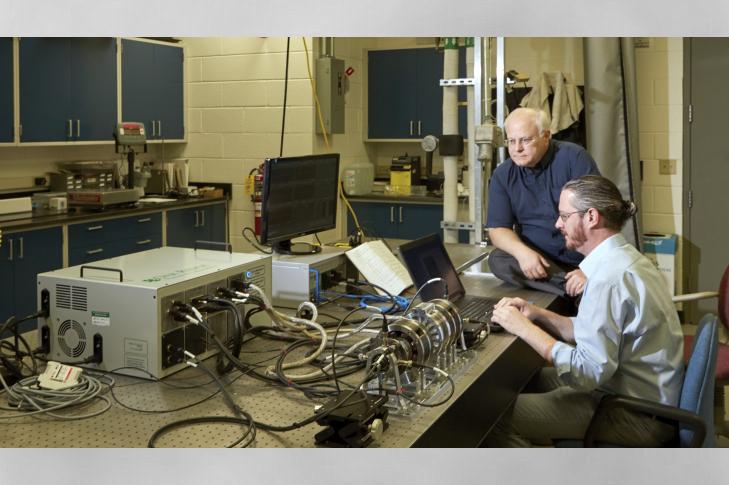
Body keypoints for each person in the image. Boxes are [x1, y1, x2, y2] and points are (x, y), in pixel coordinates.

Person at [485, 175, 685, 447]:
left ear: (591, 217)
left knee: (486, 421)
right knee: (524, 380)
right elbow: (596, 332)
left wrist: (524, 328)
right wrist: (538, 314)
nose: (558, 225)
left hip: (633, 414)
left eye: (564, 216)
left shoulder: (608, 279)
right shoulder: (625, 260)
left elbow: (587, 371)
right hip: (632, 392)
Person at [487, 107, 600, 300]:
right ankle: (572, 290)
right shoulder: (503, 175)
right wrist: (523, 254)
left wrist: (589, 269)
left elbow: (599, 217)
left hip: (581, 256)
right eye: (511, 141)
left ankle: (576, 286)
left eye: (525, 140)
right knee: (498, 259)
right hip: (540, 261)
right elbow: (498, 229)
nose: (517, 149)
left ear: (546, 136)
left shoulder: (574, 158)